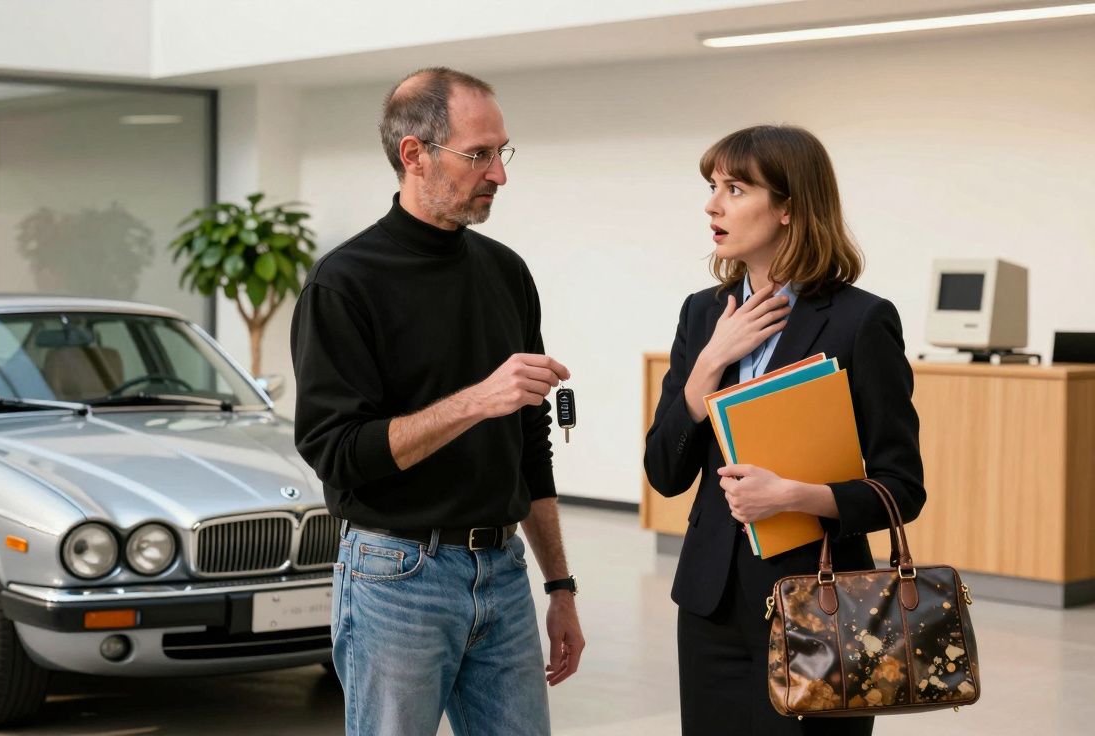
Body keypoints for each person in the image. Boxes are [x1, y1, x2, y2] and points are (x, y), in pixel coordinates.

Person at [291, 67, 585, 736]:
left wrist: (560, 586)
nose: (498, 175)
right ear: (414, 155)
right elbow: (340, 454)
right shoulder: (344, 284)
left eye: (501, 152)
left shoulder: (505, 272)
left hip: (504, 575)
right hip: (397, 579)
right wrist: (477, 401)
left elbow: (529, 447)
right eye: (477, 154)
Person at [643, 124, 926, 735]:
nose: (713, 204)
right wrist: (708, 366)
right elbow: (664, 473)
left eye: (736, 188)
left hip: (821, 603)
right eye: (713, 186)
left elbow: (902, 487)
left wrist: (792, 497)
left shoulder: (861, 320)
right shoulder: (703, 313)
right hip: (711, 603)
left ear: (789, 207)